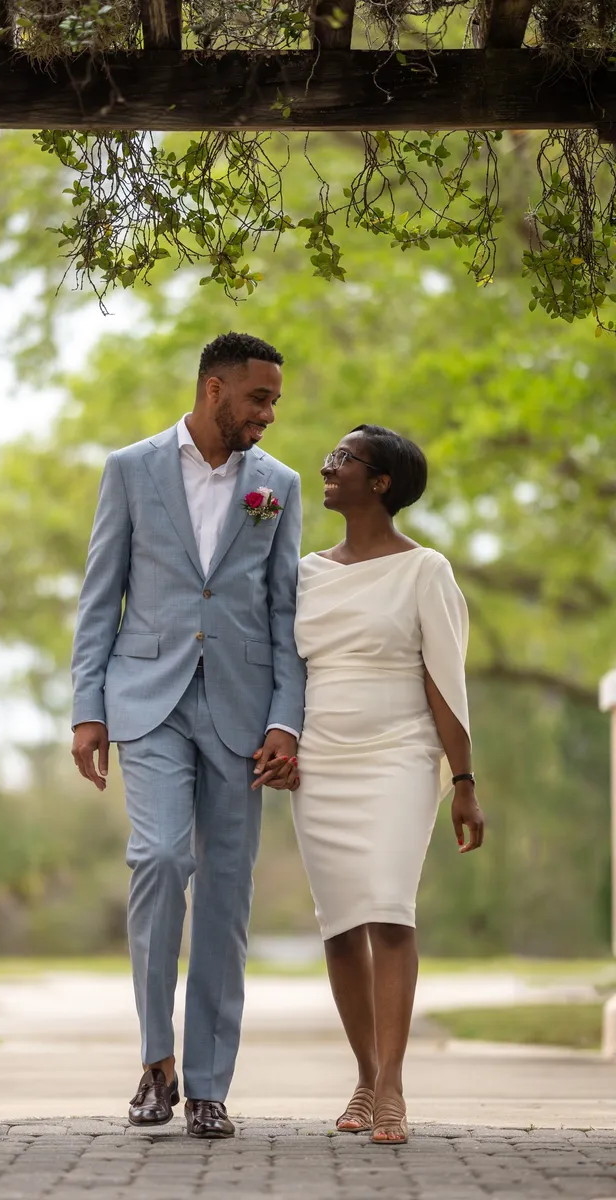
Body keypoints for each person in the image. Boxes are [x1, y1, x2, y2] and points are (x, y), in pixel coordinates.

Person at [70, 332, 306, 1139]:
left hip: (244, 715)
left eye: (273, 400)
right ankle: (153, 1062)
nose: (269, 415)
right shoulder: (130, 470)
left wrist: (285, 721)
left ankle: (207, 1083)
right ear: (214, 390)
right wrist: (86, 708)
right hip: (149, 699)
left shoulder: (278, 486)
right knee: (161, 858)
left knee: (227, 901)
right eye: (259, 398)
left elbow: (284, 613)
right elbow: (101, 595)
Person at [292, 423, 485, 1147]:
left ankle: (394, 1087)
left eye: (344, 459)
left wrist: (462, 781)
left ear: (381, 483)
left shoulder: (424, 570)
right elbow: (290, 671)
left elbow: (447, 684)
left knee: (388, 909)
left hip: (400, 755)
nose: (327, 466)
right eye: (332, 456)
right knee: (340, 921)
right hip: (322, 760)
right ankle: (366, 1076)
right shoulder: (306, 570)